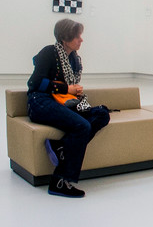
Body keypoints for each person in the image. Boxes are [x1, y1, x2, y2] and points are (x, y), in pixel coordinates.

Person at [27, 19, 110, 198]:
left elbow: (70, 89)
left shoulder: (74, 59)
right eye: (77, 36)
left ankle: (61, 147)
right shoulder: (49, 52)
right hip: (41, 102)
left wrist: (75, 93)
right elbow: (34, 83)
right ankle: (59, 180)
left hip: (65, 101)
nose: (81, 40)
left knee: (102, 114)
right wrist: (66, 89)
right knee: (82, 126)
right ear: (65, 38)